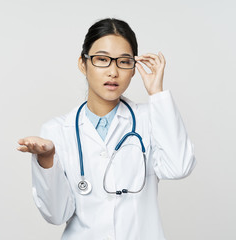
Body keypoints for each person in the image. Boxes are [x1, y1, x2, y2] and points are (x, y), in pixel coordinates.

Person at [17, 18, 196, 240]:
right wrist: (47, 159)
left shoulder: (150, 118)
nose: (113, 72)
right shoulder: (56, 130)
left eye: (123, 62)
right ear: (83, 64)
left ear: (133, 69)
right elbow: (56, 215)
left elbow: (179, 167)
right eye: (102, 60)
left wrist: (157, 93)